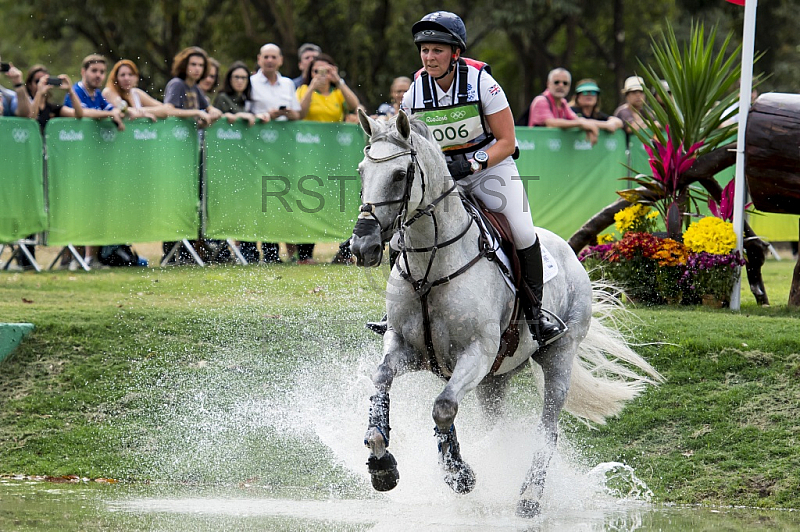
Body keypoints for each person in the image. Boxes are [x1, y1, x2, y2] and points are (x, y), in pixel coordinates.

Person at [390, 11, 565, 346]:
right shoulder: (414, 93)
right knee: (404, 231)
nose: (429, 57)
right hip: (443, 177)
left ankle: (536, 313)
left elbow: (507, 142)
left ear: (455, 52)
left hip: (491, 168)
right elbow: (409, 143)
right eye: (424, 50)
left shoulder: (482, 83)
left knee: (523, 232)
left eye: (437, 50)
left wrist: (472, 164)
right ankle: (395, 314)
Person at [295, 53, 362, 264]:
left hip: (334, 154)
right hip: (309, 154)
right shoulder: (304, 90)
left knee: (338, 200)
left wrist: (339, 81)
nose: (322, 75)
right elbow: (300, 112)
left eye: (326, 70)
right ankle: (304, 254)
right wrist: (312, 86)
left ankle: (343, 251)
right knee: (309, 200)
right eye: (316, 71)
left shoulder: (337, 93)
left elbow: (354, 105)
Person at [64, 54, 127, 269]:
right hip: (75, 162)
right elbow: (81, 113)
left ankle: (91, 258)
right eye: (94, 71)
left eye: (102, 72)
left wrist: (116, 113)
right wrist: (108, 115)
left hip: (95, 163)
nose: (98, 75)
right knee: (78, 208)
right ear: (83, 71)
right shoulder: (76, 91)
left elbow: (111, 110)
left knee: (96, 208)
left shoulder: (98, 94)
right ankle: (74, 258)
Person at [162, 46, 223, 264]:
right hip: (176, 152)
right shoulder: (177, 84)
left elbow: (211, 110)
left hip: (192, 152)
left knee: (193, 200)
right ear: (184, 65)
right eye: (193, 64)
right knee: (177, 198)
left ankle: (188, 252)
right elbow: (167, 110)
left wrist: (212, 113)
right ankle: (170, 252)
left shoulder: (195, 89)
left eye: (200, 65)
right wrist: (196, 113)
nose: (197, 69)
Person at [250, 43, 304, 263]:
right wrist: (267, 115)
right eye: (266, 56)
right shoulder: (251, 83)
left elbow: (297, 113)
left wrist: (284, 113)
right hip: (258, 148)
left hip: (283, 149)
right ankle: (263, 250)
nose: (270, 60)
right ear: (259, 59)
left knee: (279, 198)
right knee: (260, 198)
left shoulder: (288, 84)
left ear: (280, 60)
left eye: (274, 56)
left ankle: (282, 250)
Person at [214, 61, 268, 263]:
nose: (240, 81)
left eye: (244, 78)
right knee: (228, 205)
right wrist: (235, 116)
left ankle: (249, 251)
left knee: (248, 207)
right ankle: (222, 251)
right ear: (229, 79)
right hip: (227, 161)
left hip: (248, 162)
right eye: (236, 77)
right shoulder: (222, 98)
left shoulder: (249, 101)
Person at [527, 68, 599, 145]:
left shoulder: (563, 103)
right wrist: (581, 124)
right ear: (548, 84)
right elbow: (551, 123)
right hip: (538, 149)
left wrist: (609, 123)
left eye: (565, 83)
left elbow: (577, 120)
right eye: (556, 82)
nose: (561, 85)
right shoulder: (541, 100)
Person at [102, 60, 169, 120]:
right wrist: (142, 114)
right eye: (122, 75)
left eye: (130, 74)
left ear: (136, 77)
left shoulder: (136, 92)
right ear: (116, 78)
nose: (126, 78)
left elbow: (164, 110)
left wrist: (143, 111)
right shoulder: (109, 92)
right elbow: (122, 110)